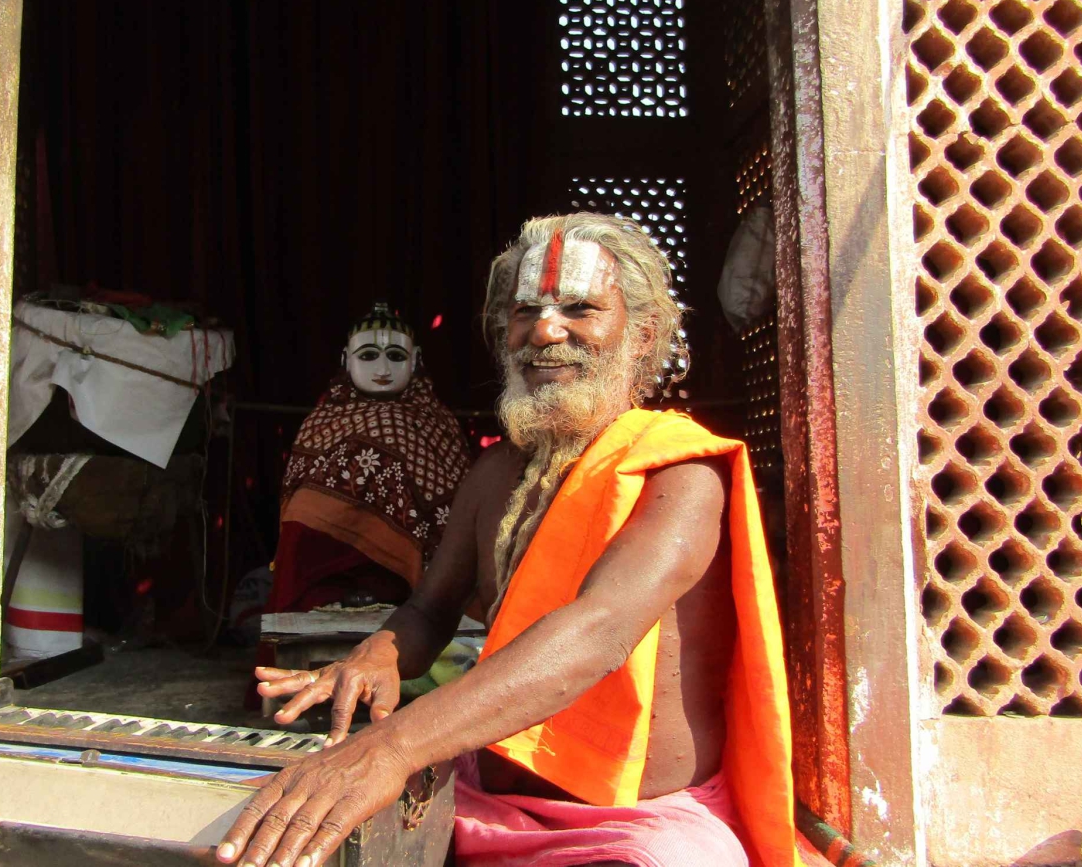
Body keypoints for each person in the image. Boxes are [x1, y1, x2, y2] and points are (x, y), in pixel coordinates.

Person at [217, 213, 799, 867]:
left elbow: (599, 631)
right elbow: (430, 609)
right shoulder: (495, 472)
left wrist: (394, 746)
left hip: (640, 825)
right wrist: (377, 655)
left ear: (642, 335)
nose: (545, 331)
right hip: (481, 801)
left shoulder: (681, 471)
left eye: (579, 308)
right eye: (526, 311)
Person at [266, 303, 471, 613]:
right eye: (368, 356)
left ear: (415, 360)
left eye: (396, 356)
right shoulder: (323, 418)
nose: (383, 369)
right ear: (345, 359)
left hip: (409, 578)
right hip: (327, 575)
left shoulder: (435, 421)